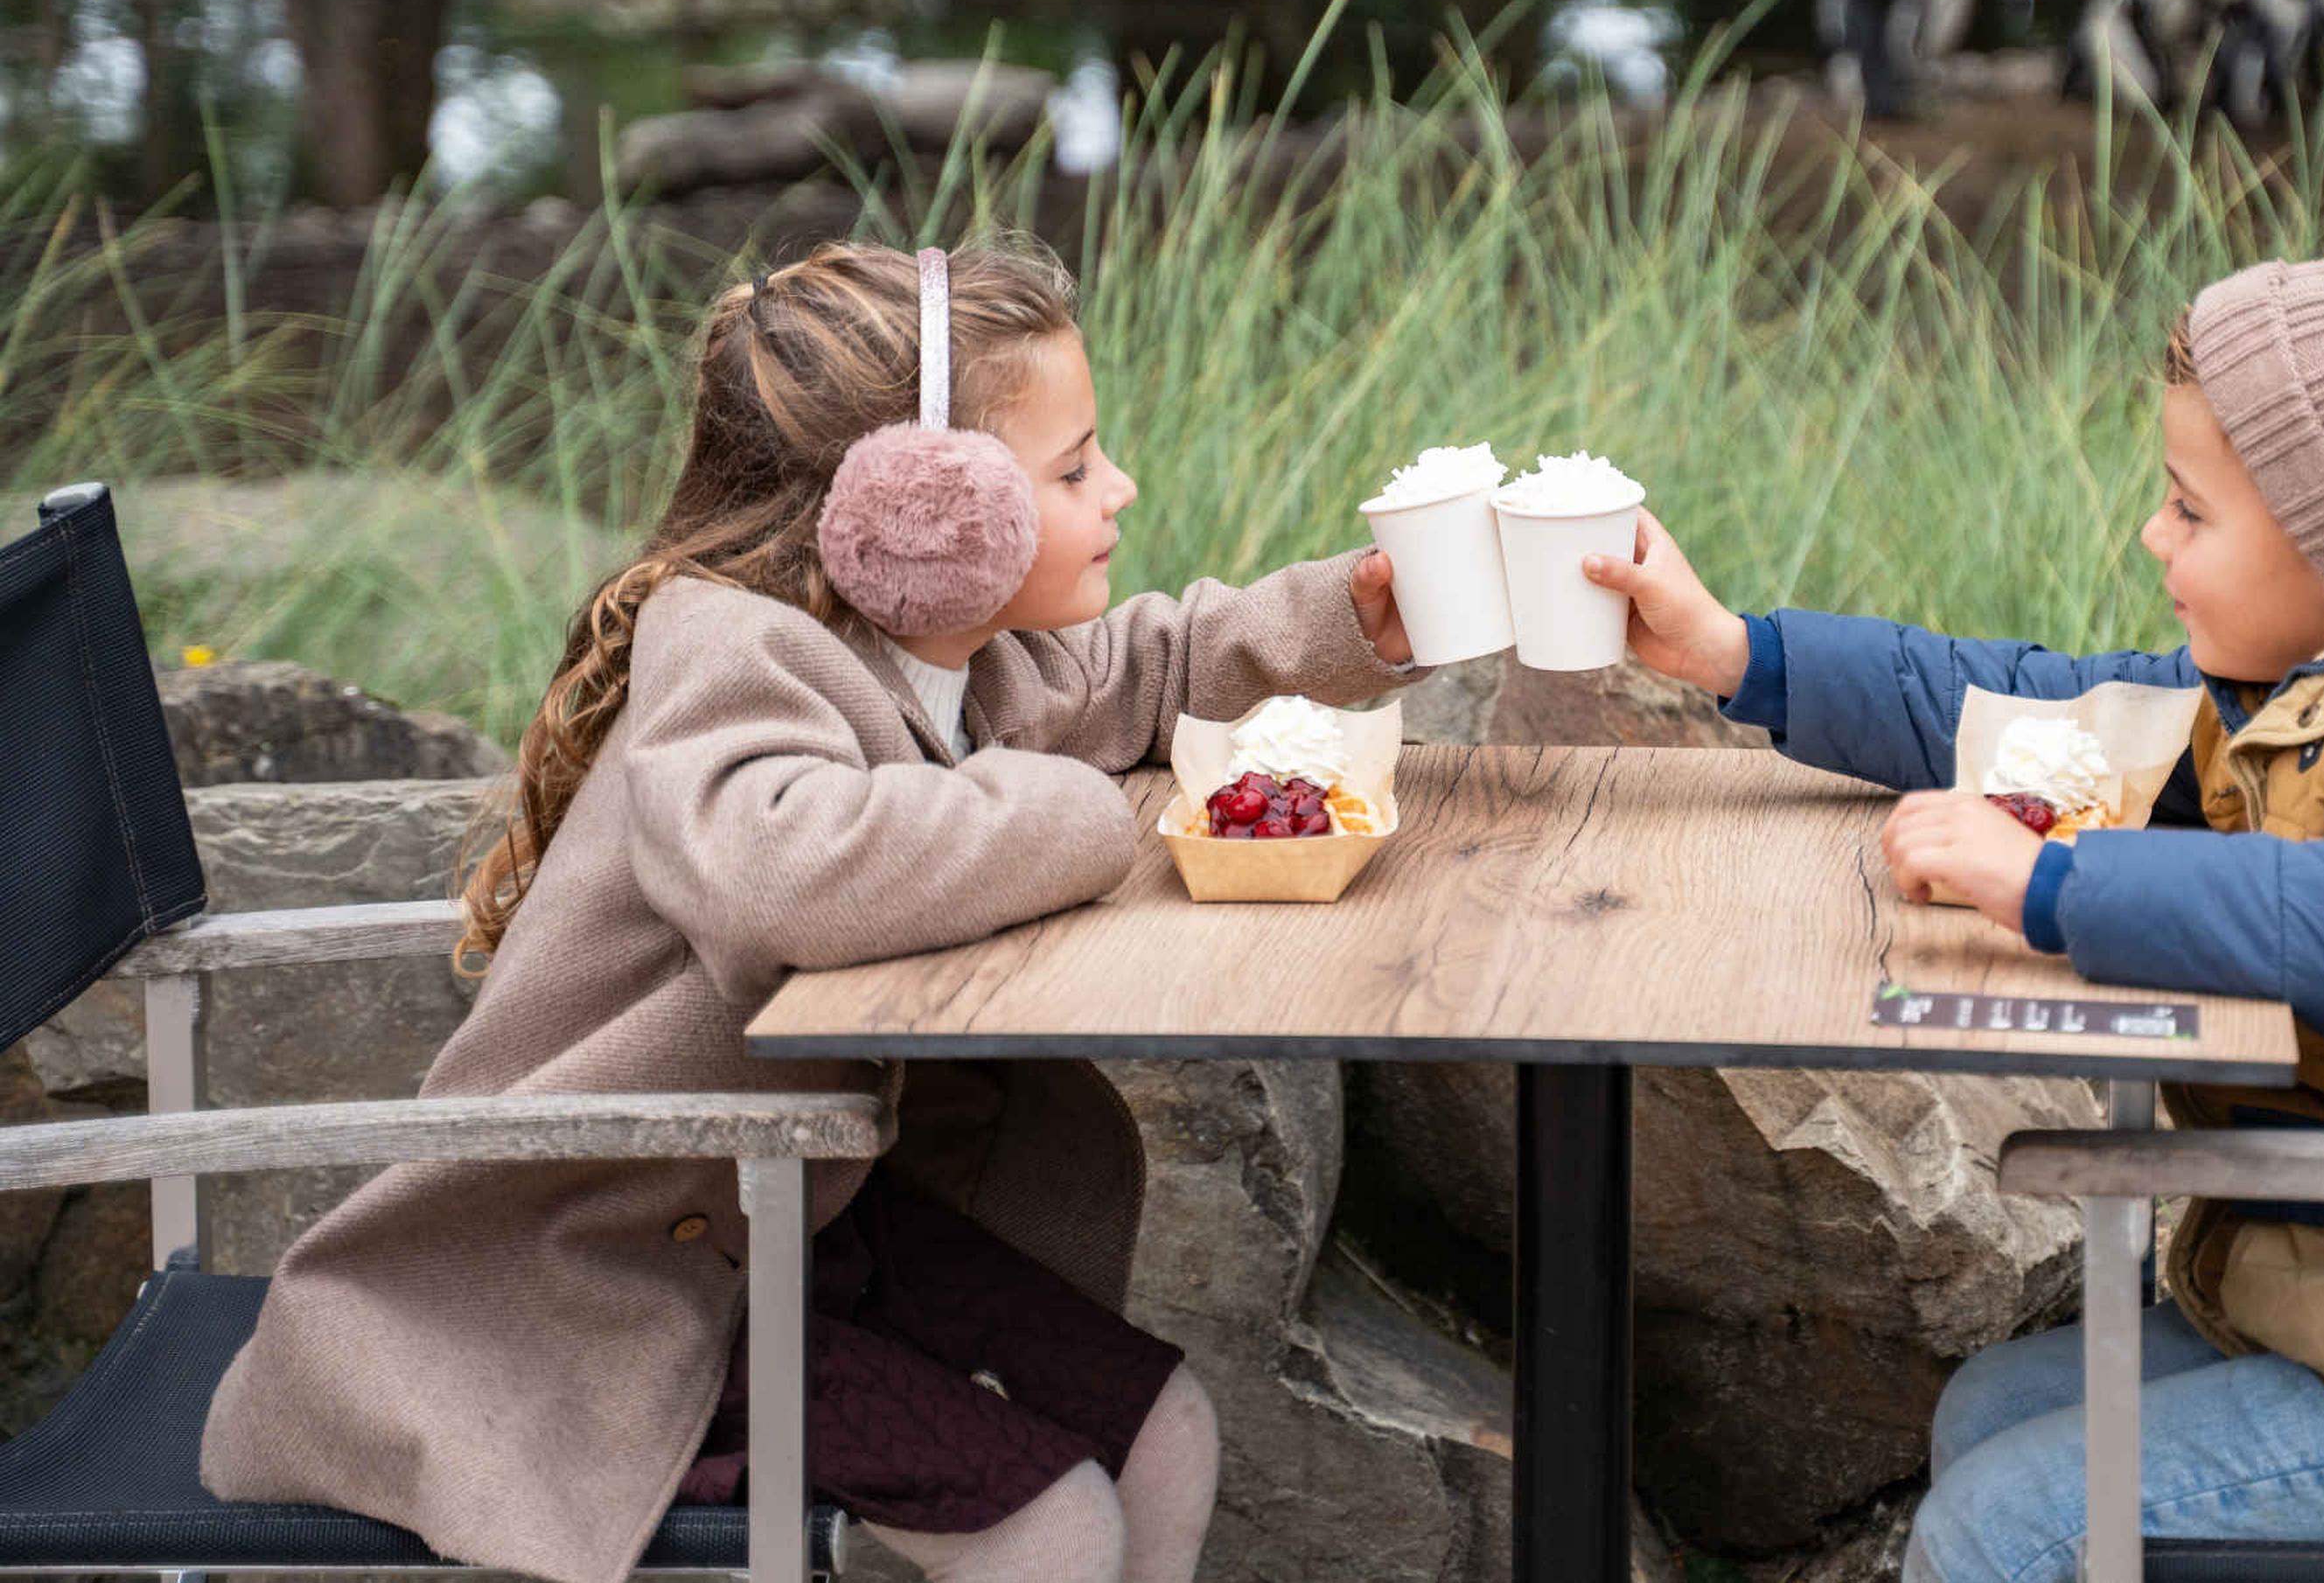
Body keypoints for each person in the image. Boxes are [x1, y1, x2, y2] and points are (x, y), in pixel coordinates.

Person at [200, 239, 1422, 1583]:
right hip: (596, 1280)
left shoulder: (953, 647)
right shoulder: (736, 648)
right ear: (929, 498)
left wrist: (1354, 619)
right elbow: (785, 866)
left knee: (1165, 1436)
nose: (1117, 487)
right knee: (1056, 1523)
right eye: (1073, 470)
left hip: (796, 1208)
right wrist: (1074, 816)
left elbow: (1147, 668)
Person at [1589, 245, 2324, 1575]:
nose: (2154, 535)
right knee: (1994, 1409)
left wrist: (2054, 885)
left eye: (2191, 510)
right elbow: (2049, 706)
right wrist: (1739, 653)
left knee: (2008, 1529)